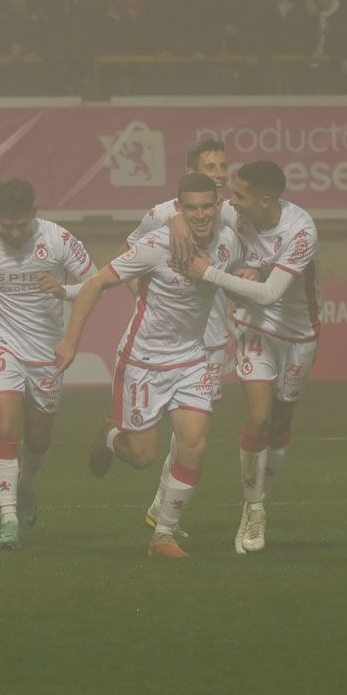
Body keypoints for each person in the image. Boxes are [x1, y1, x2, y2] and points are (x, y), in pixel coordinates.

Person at [56, 173, 244, 558]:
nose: (201, 214)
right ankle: (110, 437)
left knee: (194, 444)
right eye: (191, 208)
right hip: (143, 362)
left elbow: (243, 275)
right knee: (143, 457)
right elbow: (94, 284)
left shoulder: (230, 243)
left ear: (217, 205)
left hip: (193, 359)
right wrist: (71, 340)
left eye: (207, 206)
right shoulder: (156, 245)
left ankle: (163, 536)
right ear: (179, 208)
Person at [0, 179, 96, 551]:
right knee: (7, 427)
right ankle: (8, 518)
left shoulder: (57, 240)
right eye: (6, 225)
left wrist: (65, 292)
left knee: (39, 437)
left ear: (34, 213)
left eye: (20, 225)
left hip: (47, 350)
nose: (13, 232)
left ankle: (27, 486)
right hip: (1, 343)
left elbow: (95, 282)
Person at [181, 160, 322, 555]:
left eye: (239, 196)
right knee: (258, 416)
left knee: (280, 421)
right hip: (252, 324)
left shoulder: (301, 231)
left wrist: (210, 274)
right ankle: (254, 509)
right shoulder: (233, 211)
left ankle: (255, 495)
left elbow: (273, 293)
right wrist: (178, 222)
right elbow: (181, 207)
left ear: (265, 200)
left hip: (298, 332)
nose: (230, 202)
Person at [116, 140, 233, 533]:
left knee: (192, 438)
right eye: (209, 165)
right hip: (165, 344)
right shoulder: (162, 214)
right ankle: (162, 510)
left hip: (212, 340)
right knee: (152, 448)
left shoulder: (233, 214)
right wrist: (145, 299)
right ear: (190, 171)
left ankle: (162, 512)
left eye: (222, 165)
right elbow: (128, 253)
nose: (218, 173)